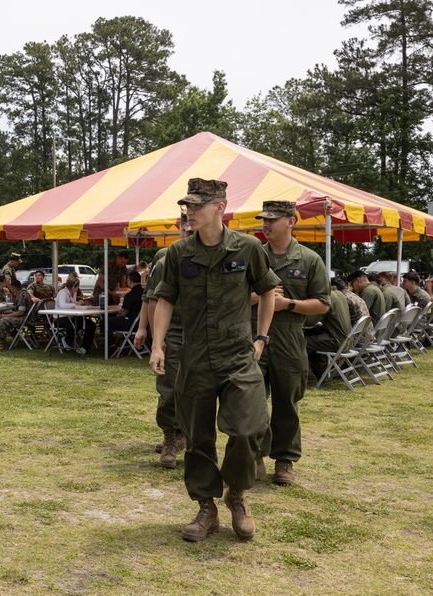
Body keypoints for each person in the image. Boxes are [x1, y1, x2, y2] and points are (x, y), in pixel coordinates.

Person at [150, 178, 279, 542]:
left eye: (196, 206)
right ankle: (206, 507)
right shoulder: (178, 253)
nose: (189, 212)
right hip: (193, 355)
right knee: (198, 438)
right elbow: (165, 300)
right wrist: (158, 345)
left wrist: (261, 338)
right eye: (186, 206)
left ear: (220, 208)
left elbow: (268, 292)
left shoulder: (248, 247)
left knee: (246, 428)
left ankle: (236, 493)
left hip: (237, 354)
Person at [251, 200, 330, 486]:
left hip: (290, 337)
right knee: (251, 402)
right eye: (264, 219)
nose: (266, 224)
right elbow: (234, 296)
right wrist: (263, 298)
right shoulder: (253, 255)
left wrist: (288, 303)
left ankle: (285, 460)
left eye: (273, 219)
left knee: (287, 402)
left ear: (291, 221)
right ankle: (255, 454)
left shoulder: (309, 259)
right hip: (254, 337)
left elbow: (322, 304)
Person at [137, 218, 191, 468]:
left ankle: (189, 437)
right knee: (168, 389)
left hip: (204, 331)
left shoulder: (218, 253)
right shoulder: (165, 256)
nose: (189, 232)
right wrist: (149, 332)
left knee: (197, 391)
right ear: (179, 226)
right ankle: (170, 438)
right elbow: (152, 298)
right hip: (174, 329)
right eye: (185, 227)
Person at [305, 277, 355, 380]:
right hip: (348, 341)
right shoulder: (339, 294)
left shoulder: (327, 298)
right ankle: (320, 372)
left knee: (300, 342)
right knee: (313, 338)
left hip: (337, 342)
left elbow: (310, 322)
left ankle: (310, 378)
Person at [53, 273, 96, 354]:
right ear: (74, 287)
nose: (78, 288)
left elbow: (73, 305)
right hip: (60, 318)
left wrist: (78, 303)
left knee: (91, 325)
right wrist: (76, 304)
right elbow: (63, 305)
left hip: (70, 317)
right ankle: (67, 340)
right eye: (77, 287)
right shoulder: (63, 292)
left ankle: (84, 347)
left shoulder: (73, 293)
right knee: (75, 322)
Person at [0, 279, 34, 352]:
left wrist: (6, 316)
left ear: (14, 287)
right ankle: (11, 337)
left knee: (3, 320)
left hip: (25, 319)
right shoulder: (21, 293)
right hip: (23, 316)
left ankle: (1, 344)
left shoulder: (22, 295)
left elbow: (21, 312)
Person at [107, 270, 143, 335]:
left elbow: (122, 313)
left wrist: (116, 317)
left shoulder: (130, 295)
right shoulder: (145, 292)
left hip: (132, 324)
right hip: (144, 324)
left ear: (130, 281)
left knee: (106, 321)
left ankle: (111, 343)